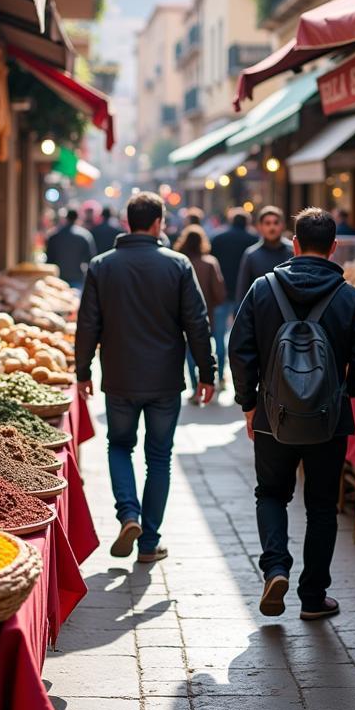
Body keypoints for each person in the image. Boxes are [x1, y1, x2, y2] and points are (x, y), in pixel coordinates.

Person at [228, 207, 355, 621]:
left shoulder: (262, 289)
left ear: (294, 244)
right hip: (328, 421)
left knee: (272, 494)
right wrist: (345, 392)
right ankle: (313, 596)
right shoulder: (349, 297)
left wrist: (249, 403)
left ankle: (275, 567)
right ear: (333, 249)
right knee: (321, 506)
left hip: (272, 416)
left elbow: (239, 350)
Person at [76, 192, 216, 563]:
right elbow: (197, 325)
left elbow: (88, 324)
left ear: (127, 222)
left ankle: (128, 514)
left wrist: (82, 370)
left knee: (119, 446)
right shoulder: (178, 265)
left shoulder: (102, 266)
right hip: (165, 379)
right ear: (158, 224)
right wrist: (207, 373)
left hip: (119, 376)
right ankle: (149, 541)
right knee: (159, 457)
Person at [174, 225, 226, 399]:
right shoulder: (210, 262)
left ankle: (196, 387)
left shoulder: (180, 262)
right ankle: (215, 379)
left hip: (183, 314)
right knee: (217, 342)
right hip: (209, 312)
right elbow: (219, 292)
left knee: (189, 349)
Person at [209, 209, 256, 385]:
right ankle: (240, 378)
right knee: (244, 338)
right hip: (246, 295)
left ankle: (220, 375)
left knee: (219, 336)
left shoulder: (218, 238)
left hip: (221, 294)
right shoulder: (253, 241)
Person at [235, 205, 294, 304]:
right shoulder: (251, 254)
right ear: (260, 227)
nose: (272, 227)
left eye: (276, 223)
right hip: (260, 312)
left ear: (283, 225)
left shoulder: (293, 251)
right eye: (267, 223)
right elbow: (242, 291)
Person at [45, 209, 95, 289]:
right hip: (77, 277)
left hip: (58, 277)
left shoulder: (55, 236)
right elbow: (90, 258)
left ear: (66, 219)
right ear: (77, 218)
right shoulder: (85, 236)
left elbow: (49, 258)